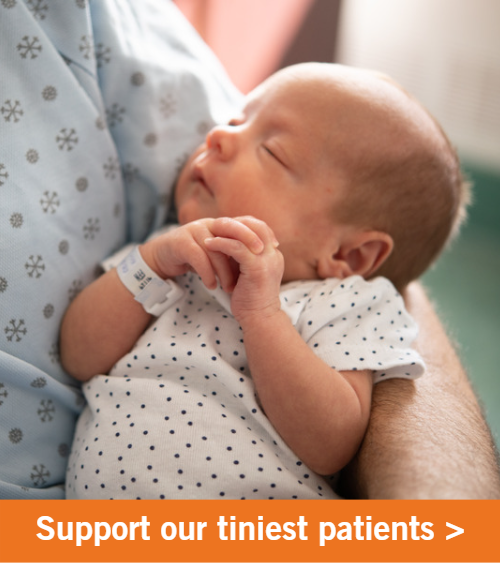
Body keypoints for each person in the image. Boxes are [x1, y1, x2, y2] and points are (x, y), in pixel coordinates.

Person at [60, 62, 475, 500]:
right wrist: (150, 264)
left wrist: (263, 315)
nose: (218, 136)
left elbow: (329, 443)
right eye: (236, 120)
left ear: (347, 255)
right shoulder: (166, 255)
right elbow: (79, 354)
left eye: (272, 150)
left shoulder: (344, 303)